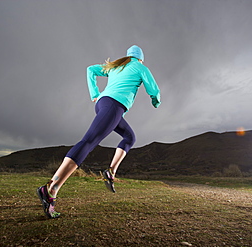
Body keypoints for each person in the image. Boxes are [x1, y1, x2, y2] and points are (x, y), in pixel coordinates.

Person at [37, 45, 161, 219]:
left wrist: (95, 93)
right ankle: (50, 189)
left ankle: (111, 172)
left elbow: (91, 70)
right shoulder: (140, 67)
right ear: (141, 58)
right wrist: (156, 101)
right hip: (113, 106)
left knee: (129, 137)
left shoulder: (117, 66)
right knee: (88, 142)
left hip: (105, 104)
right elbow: (153, 89)